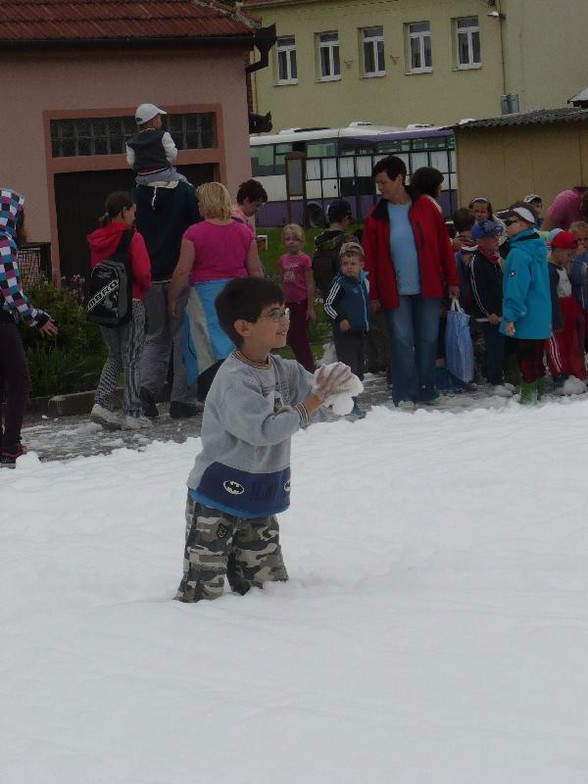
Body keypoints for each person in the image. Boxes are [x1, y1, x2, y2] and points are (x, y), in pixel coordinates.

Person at [175, 276, 353, 603]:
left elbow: (316, 397)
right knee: (202, 598)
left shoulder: (284, 369)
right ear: (244, 327)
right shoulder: (233, 380)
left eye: (284, 311)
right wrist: (313, 402)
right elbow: (265, 431)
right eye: (274, 314)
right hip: (217, 499)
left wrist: (335, 392)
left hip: (259, 498)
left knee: (271, 592)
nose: (285, 319)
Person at [362, 155, 460, 408]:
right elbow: (369, 257)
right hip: (394, 291)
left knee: (427, 339)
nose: (380, 188)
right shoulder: (376, 216)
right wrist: (372, 293)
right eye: (378, 183)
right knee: (402, 341)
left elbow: (443, 247)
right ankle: (404, 393)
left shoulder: (426, 207)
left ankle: (427, 390)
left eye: (383, 182)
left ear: (399, 178)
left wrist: (452, 280)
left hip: (428, 287)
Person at [167, 181, 263, 401]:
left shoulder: (194, 233)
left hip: (205, 295)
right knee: (236, 340)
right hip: (239, 293)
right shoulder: (244, 231)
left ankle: (212, 396)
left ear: (207, 203)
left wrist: (172, 297)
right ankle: (241, 392)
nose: (198, 206)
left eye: (200, 202)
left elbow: (182, 270)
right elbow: (255, 269)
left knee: (206, 347)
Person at [0, 188, 58, 467]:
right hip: (1, 322)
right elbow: (11, 291)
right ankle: (10, 445)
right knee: (19, 381)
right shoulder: (3, 241)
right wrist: (37, 318)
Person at [134, 174, 200, 420]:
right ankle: (182, 400)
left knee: (155, 336)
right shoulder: (184, 192)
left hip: (150, 276)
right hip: (178, 274)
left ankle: (146, 390)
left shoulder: (138, 193)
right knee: (183, 336)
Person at [87, 192, 152, 430]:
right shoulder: (133, 237)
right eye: (133, 211)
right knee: (132, 355)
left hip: (105, 304)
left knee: (114, 354)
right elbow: (143, 272)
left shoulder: (96, 239)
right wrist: (144, 290)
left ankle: (101, 404)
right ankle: (133, 411)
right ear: (124, 211)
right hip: (131, 301)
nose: (135, 216)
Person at [500, 204, 552, 404]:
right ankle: (538, 396)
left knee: (526, 359)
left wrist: (510, 316)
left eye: (509, 222)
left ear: (522, 224)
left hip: (525, 316)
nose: (506, 226)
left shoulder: (518, 254)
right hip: (540, 316)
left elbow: (516, 289)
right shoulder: (537, 249)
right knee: (537, 358)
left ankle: (528, 398)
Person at [324, 241, 370, 417]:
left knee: (358, 368)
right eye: (345, 264)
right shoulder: (340, 283)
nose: (349, 268)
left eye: (353, 264)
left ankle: (352, 401)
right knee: (348, 368)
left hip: (359, 331)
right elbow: (328, 305)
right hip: (345, 334)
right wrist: (340, 318)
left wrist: (366, 324)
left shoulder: (362, 282)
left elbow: (363, 306)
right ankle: (347, 405)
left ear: (361, 265)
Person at [469, 220, 511, 395]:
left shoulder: (494, 259)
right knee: (493, 347)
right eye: (491, 236)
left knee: (501, 346)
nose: (496, 239)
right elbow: (478, 290)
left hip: (499, 312)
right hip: (488, 315)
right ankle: (494, 380)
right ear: (480, 241)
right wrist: (489, 312)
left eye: (496, 235)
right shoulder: (477, 261)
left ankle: (497, 376)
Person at [544, 230, 585, 394]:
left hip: (567, 313)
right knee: (556, 348)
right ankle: (560, 377)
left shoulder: (561, 268)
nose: (571, 259)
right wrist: (557, 320)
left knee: (568, 345)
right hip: (556, 315)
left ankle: (568, 374)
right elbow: (552, 299)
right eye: (569, 255)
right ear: (558, 250)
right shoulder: (550, 271)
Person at [277, 223, 315, 373]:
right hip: (288, 303)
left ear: (301, 241)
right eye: (288, 239)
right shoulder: (282, 260)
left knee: (299, 337)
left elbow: (310, 283)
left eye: (295, 239)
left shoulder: (305, 260)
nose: (291, 242)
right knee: (291, 337)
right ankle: (301, 365)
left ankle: (309, 368)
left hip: (302, 303)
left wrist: (310, 307)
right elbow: (281, 282)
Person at [126, 103, 186, 186]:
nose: (160, 120)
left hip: (142, 179)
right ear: (153, 120)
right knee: (185, 183)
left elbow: (132, 163)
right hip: (164, 175)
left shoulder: (130, 142)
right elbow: (173, 155)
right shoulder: (163, 135)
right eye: (159, 117)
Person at [312, 198, 356, 300]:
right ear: (345, 218)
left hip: (326, 292)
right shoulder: (349, 240)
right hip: (346, 293)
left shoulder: (318, 241)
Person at [569, 220, 588, 348]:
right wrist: (579, 257)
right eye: (578, 239)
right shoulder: (570, 257)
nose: (582, 243)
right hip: (577, 305)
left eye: (585, 239)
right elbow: (577, 278)